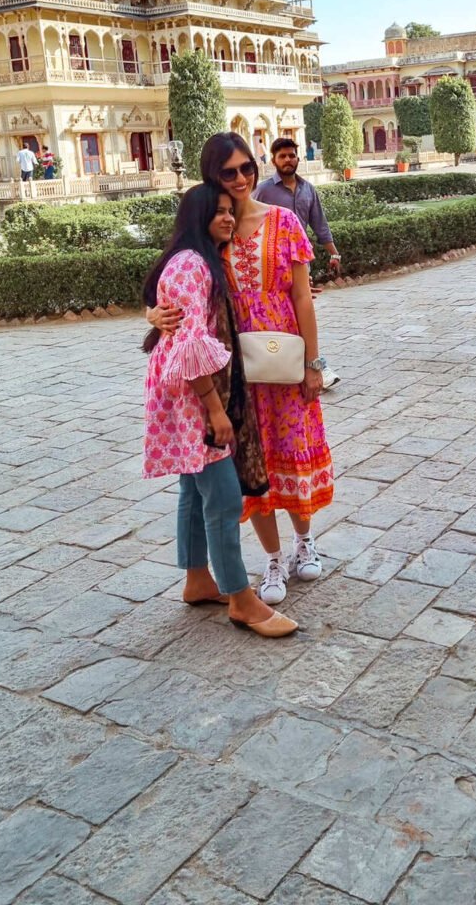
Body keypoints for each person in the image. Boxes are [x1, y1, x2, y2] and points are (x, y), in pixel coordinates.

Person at [149, 133, 334, 607]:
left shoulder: (285, 222)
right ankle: (270, 558)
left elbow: (302, 298)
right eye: (228, 172)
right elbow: (176, 281)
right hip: (233, 369)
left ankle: (304, 540)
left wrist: (314, 364)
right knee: (253, 460)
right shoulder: (215, 229)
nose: (240, 179)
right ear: (213, 177)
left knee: (294, 447)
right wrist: (154, 313)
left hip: (284, 355)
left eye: (247, 168)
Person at [141, 183, 297, 638]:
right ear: (198, 217)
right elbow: (191, 345)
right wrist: (215, 410)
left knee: (194, 489)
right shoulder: (193, 265)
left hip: (182, 391)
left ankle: (197, 579)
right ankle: (241, 600)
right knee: (224, 496)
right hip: (195, 396)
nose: (228, 218)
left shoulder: (195, 258)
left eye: (231, 211)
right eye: (218, 212)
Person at [254, 136, 342, 389]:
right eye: (282, 156)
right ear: (273, 161)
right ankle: (293, 367)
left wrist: (334, 253)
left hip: (299, 263)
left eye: (291, 155)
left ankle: (312, 367)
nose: (288, 160)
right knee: (283, 317)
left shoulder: (307, 189)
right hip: (270, 267)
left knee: (302, 315)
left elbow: (320, 225)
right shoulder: (263, 190)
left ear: (298, 157)